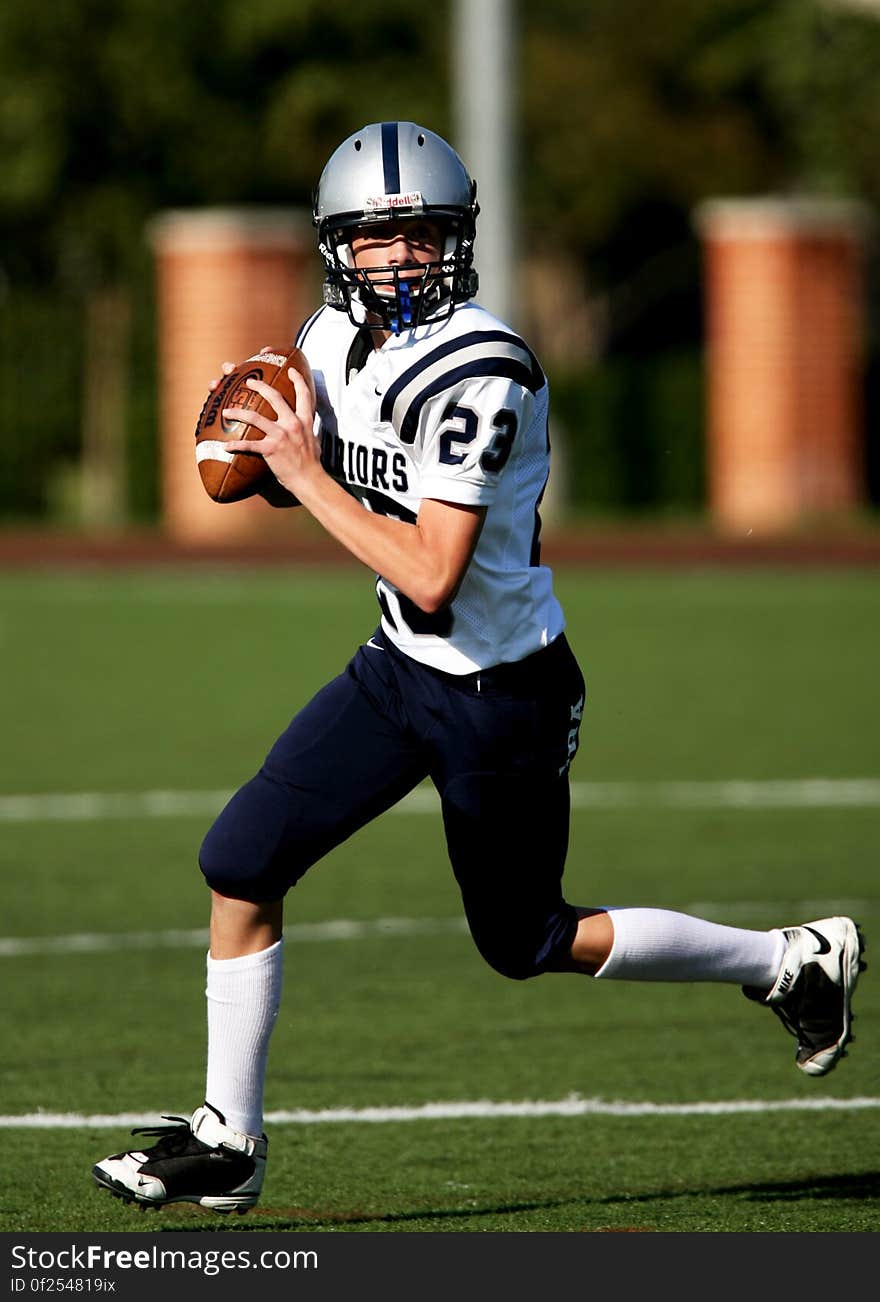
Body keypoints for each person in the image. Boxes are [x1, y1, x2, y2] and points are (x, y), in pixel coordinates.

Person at [92, 121, 865, 1215]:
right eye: (378, 238)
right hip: (397, 675)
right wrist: (256, 457)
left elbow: (430, 572)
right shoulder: (326, 337)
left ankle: (787, 959)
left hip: (499, 692)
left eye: (423, 235)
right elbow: (306, 473)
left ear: (458, 240)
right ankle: (229, 1142)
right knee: (241, 861)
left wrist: (300, 475)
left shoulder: (481, 369)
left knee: (526, 939)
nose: (401, 257)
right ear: (339, 249)